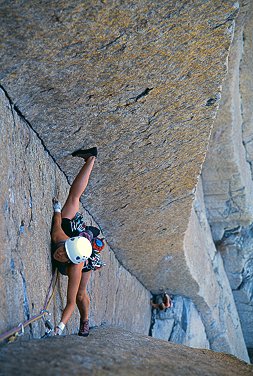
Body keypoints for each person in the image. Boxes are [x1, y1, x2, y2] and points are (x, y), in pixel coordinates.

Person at [51, 147, 100, 337]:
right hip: (74, 239)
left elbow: (70, 302)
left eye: (63, 256)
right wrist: (57, 209)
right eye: (62, 250)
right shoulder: (60, 239)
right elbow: (57, 223)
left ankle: (85, 320)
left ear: (70, 262)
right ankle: (91, 159)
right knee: (73, 198)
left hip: (83, 253)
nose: (59, 253)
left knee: (80, 295)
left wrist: (60, 326)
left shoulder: (76, 268)